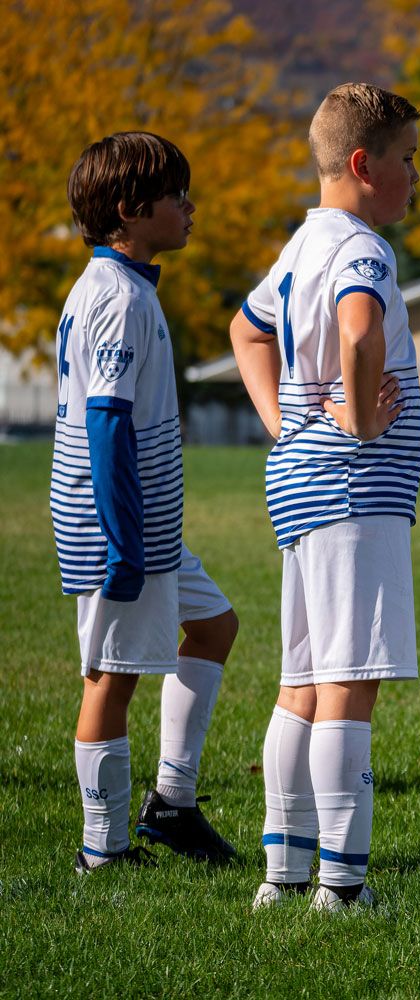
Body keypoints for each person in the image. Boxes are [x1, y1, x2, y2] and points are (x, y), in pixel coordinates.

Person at [229, 82, 420, 912]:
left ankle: (284, 872)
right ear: (362, 164)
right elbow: (356, 327)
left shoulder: (301, 242)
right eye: (408, 158)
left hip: (303, 481)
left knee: (302, 679)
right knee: (349, 679)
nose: (415, 174)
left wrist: (284, 421)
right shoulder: (363, 249)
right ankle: (341, 884)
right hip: (354, 484)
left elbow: (247, 330)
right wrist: (357, 419)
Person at [54, 131, 239, 873]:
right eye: (176, 197)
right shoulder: (119, 299)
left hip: (147, 524)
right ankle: (102, 850)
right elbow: (106, 422)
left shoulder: (121, 288)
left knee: (216, 626)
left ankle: (172, 803)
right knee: (111, 679)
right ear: (131, 211)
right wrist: (123, 542)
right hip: (120, 527)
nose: (190, 208)